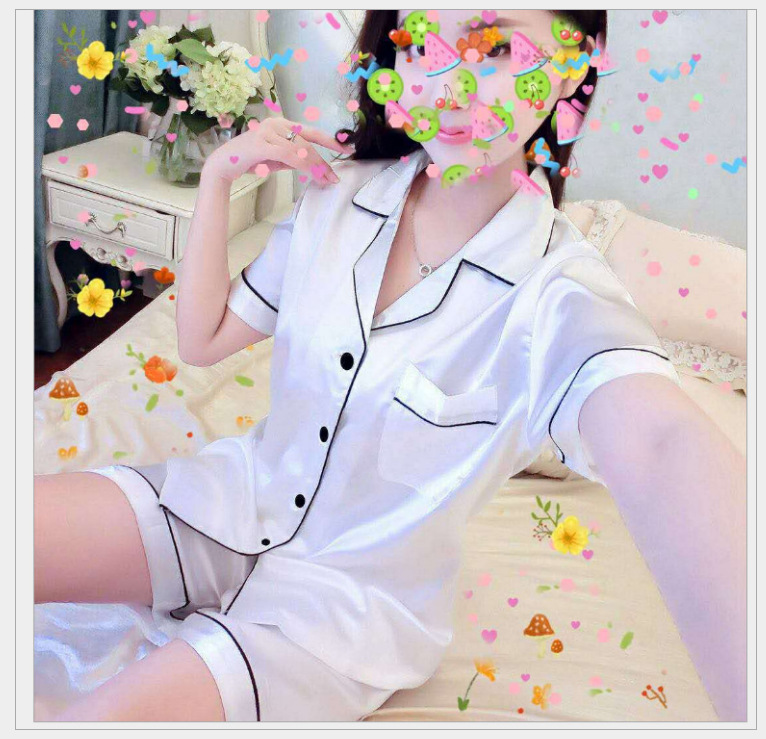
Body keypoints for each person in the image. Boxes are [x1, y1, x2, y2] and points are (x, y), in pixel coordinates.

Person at [34, 9, 747, 723]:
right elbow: (203, 339)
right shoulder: (337, 193)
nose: (448, 83)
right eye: (417, 43)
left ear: (574, 64)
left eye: (496, 45)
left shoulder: (561, 296)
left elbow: (663, 444)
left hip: (344, 613)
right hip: (228, 500)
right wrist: (220, 176)